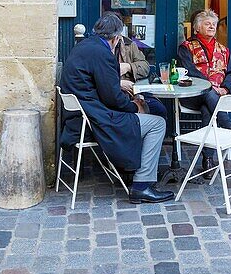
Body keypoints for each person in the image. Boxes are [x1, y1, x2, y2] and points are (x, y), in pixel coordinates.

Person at [59, 12, 174, 204]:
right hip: (94, 119)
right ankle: (141, 185)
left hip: (78, 116)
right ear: (116, 38)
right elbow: (112, 98)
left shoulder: (84, 46)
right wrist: (134, 106)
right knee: (157, 123)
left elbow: (100, 85)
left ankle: (132, 170)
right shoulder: (102, 52)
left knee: (148, 115)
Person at [177, 9, 231, 170]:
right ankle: (229, 128)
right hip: (193, 95)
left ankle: (207, 161)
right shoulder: (186, 47)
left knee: (208, 109)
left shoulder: (223, 50)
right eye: (207, 24)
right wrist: (211, 86)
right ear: (197, 28)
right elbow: (189, 71)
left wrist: (225, 88)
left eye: (214, 24)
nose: (212, 27)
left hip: (216, 98)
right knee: (209, 94)